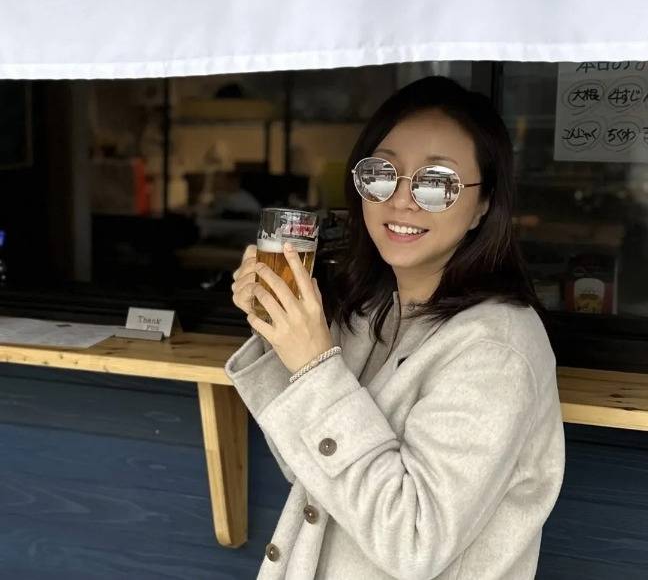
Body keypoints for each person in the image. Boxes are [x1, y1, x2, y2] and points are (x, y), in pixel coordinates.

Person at [226, 76, 565, 580]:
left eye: (437, 182)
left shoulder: (498, 349)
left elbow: (414, 542)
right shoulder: (371, 313)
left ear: (484, 204)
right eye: (382, 173)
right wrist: (282, 336)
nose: (402, 199)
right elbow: (311, 469)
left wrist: (313, 364)